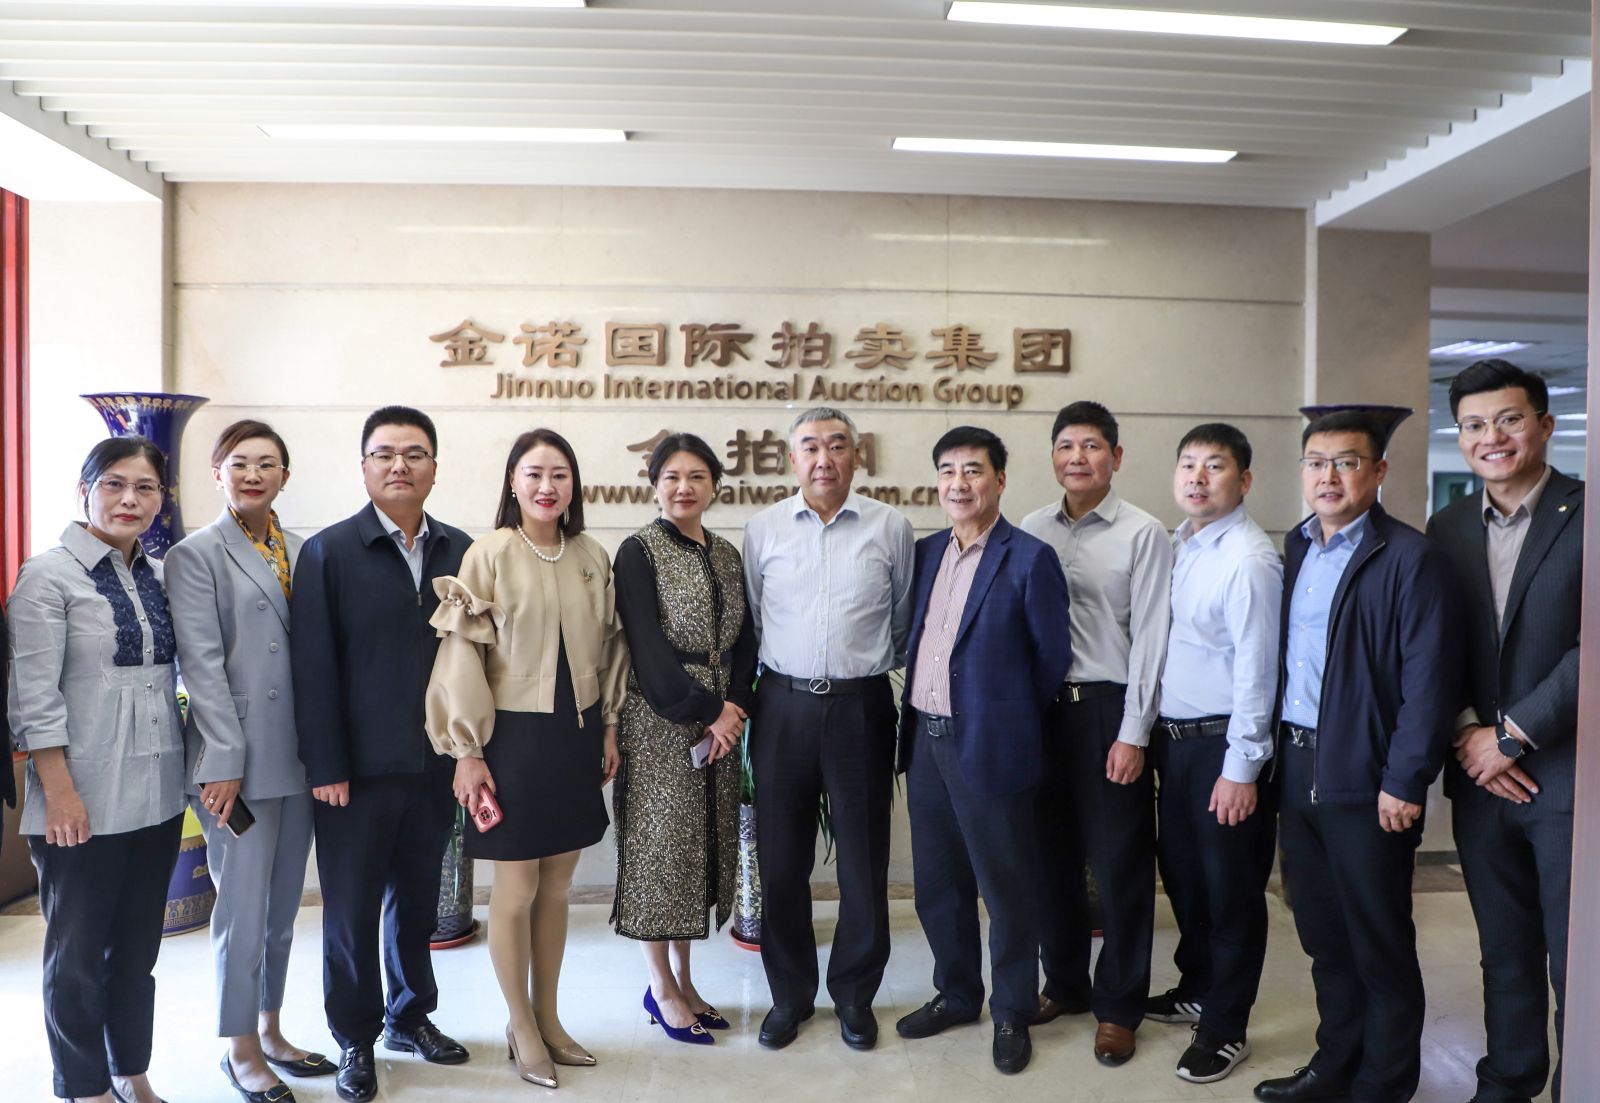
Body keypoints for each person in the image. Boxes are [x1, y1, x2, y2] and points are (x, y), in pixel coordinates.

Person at [1255, 409, 1458, 1103]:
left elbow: (1429, 683)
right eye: (1316, 462)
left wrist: (1405, 779)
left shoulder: (1410, 557)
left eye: (1346, 462)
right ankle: (1335, 1063)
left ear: (1378, 472)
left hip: (1368, 779)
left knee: (1378, 941)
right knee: (1323, 936)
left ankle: (1383, 1083)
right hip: (1297, 767)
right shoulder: (1297, 548)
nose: (1329, 476)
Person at [426, 428, 628, 1087]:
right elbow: (460, 656)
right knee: (514, 891)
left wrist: (608, 727)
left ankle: (549, 1017)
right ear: (513, 482)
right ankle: (520, 1023)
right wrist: (467, 751)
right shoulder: (488, 553)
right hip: (509, 741)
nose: (547, 486)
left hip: (576, 736)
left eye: (559, 474)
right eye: (534, 473)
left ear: (574, 486)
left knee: (558, 886)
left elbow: (610, 651)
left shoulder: (591, 554)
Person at [291, 406, 470, 1103]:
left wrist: (469, 754)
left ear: (435, 467)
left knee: (419, 903)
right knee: (350, 911)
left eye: (415, 453)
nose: (400, 465)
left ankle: (410, 1016)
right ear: (364, 466)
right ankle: (355, 1038)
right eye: (385, 453)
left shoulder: (461, 550)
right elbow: (313, 667)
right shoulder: (330, 552)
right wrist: (327, 765)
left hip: (435, 765)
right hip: (356, 773)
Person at [7, 436, 184, 1103]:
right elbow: (33, 697)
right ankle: (85, 1087)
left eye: (145, 487)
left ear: (161, 499)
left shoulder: (161, 574)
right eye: (114, 483)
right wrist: (59, 792)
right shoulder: (46, 577)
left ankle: (130, 1072)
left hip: (159, 794)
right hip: (80, 797)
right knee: (78, 956)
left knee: (137, 952)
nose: (129, 499)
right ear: (84, 490)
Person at [893, 426, 1071, 1076]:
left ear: (999, 479)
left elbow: (1051, 660)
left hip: (992, 746)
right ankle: (958, 993)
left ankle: (1012, 1009)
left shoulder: (1029, 558)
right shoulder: (925, 552)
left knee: (1006, 887)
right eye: (948, 471)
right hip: (926, 741)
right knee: (938, 883)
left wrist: (1003, 716)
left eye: (973, 470)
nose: (959, 483)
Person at [1428, 359, 1580, 1103]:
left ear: (1544, 425)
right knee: (1504, 948)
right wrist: (1467, 731)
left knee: (1577, 956)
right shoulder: (1447, 526)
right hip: (1478, 776)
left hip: (1570, 777)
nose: (1493, 436)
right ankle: (1509, 1078)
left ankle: (1580, 1083)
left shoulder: (1587, 512)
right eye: (1475, 424)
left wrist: (1511, 735)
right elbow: (1434, 642)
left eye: (1510, 419)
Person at [165, 419, 330, 1103]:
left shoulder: (306, 550)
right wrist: (224, 760)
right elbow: (200, 667)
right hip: (235, 762)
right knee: (240, 908)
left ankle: (270, 1027)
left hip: (299, 756)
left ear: (285, 476)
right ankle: (238, 1046)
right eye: (239, 462)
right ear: (217, 473)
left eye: (267, 463)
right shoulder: (195, 554)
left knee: (282, 906)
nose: (253, 474)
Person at [742, 406, 914, 1051]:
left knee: (864, 862)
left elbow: (903, 623)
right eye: (810, 447)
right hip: (781, 707)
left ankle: (854, 996)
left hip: (859, 706)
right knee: (781, 861)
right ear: (792, 459)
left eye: (837, 445)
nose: (824, 458)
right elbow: (755, 621)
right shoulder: (763, 529)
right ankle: (789, 997)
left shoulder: (890, 527)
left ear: (856, 456)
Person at [1020, 400, 1172, 1066]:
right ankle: (1066, 984)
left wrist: (1134, 733)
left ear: (1116, 456)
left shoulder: (1144, 532)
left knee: (1120, 867)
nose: (1077, 457)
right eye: (1066, 446)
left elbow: (1153, 640)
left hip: (1110, 711)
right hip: (1043, 715)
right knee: (1050, 859)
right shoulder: (1031, 529)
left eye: (1091, 446)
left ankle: (1119, 1006)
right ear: (1052, 455)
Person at [609, 432, 757, 1044]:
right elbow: (647, 651)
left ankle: (685, 981)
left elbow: (746, 641)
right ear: (654, 486)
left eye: (697, 476)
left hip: (719, 723)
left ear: (715, 486)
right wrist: (711, 711)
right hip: (660, 723)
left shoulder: (726, 553)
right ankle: (659, 986)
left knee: (696, 854)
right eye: (671, 476)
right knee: (660, 854)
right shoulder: (637, 551)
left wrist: (735, 708)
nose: (684, 487)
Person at [1148, 423, 1282, 1085]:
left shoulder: (1250, 559)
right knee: (1187, 879)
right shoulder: (1183, 543)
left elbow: (1258, 671)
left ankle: (1226, 1028)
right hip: (1176, 745)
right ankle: (1198, 988)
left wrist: (1241, 768)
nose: (1197, 478)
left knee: (1231, 893)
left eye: (1215, 466)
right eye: (1188, 465)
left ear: (1244, 480)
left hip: (1223, 746)